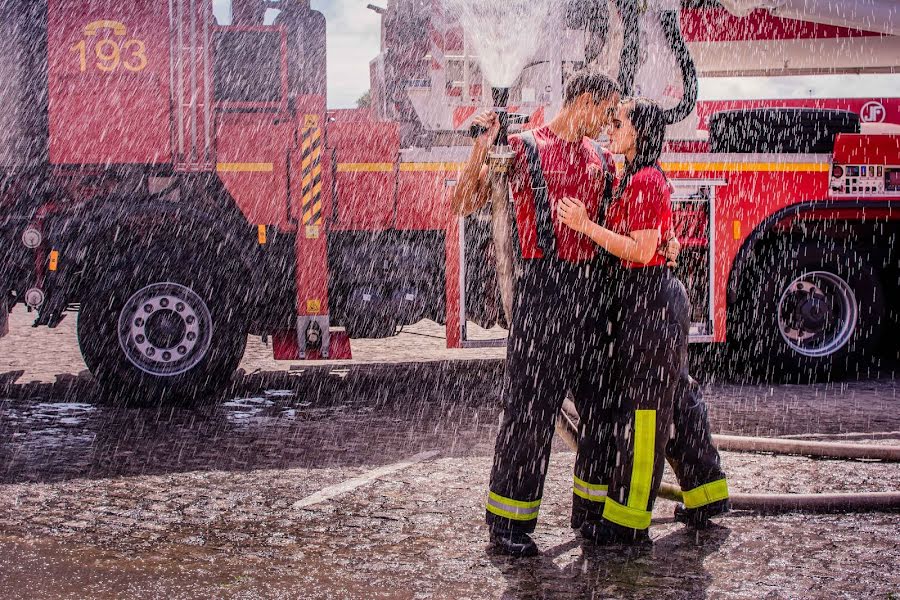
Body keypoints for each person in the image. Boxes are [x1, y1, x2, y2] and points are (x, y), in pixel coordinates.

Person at [451, 73, 625, 558]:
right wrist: (482, 147)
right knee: (529, 412)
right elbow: (465, 202)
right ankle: (508, 525)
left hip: (591, 294)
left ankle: (591, 515)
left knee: (604, 410)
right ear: (586, 101)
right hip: (542, 294)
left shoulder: (602, 160)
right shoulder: (523, 148)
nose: (607, 123)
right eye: (606, 111)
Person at [559, 97, 716, 545]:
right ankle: (707, 493)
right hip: (648, 301)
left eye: (619, 122)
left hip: (651, 304)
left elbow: (642, 250)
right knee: (677, 399)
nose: (611, 128)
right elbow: (658, 242)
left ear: (639, 133)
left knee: (645, 413)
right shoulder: (635, 175)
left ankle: (629, 519)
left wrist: (585, 226)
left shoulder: (646, 179)